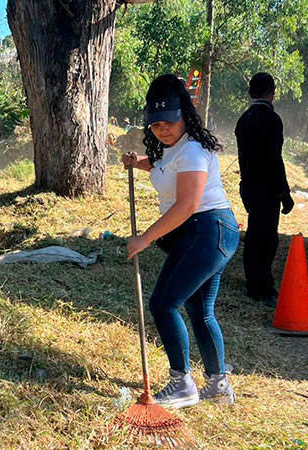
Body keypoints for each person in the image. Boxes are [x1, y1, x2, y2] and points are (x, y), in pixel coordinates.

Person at [122, 74, 239, 409]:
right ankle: (217, 385)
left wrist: (144, 238)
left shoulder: (191, 150)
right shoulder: (175, 149)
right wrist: (137, 163)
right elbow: (163, 165)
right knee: (199, 310)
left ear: (184, 115)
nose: (163, 129)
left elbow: (187, 204)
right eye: (156, 124)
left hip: (206, 231)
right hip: (211, 233)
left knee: (163, 303)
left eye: (170, 122)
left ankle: (181, 383)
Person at [234, 73, 294, 307]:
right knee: (267, 238)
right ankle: (262, 288)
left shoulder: (243, 119)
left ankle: (254, 282)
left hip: (248, 187)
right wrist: (285, 192)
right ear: (272, 92)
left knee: (254, 234)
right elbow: (274, 160)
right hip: (266, 188)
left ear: (250, 93)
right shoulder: (272, 119)